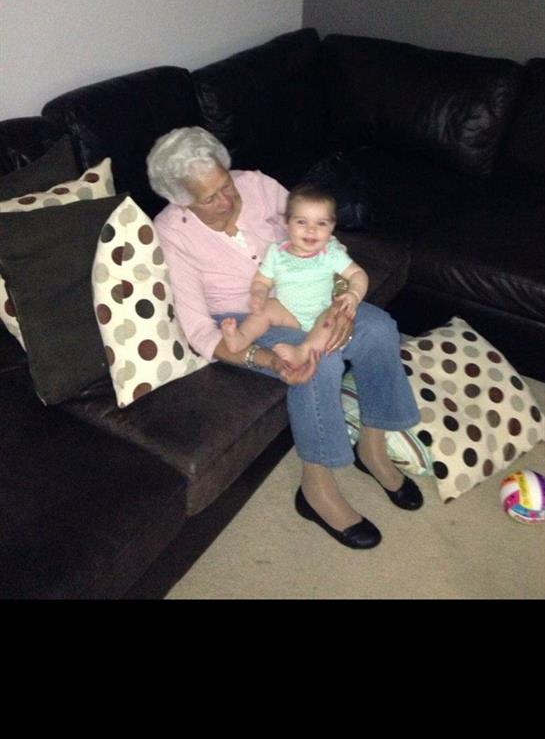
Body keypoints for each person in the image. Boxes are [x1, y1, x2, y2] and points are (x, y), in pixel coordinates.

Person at [147, 126, 423, 550]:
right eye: (209, 198)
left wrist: (340, 301)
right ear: (180, 200)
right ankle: (316, 487)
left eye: (226, 184)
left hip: (307, 295)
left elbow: (320, 236)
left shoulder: (256, 185)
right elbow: (200, 331)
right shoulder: (171, 232)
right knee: (317, 362)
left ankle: (373, 448)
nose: (227, 200)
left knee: (379, 328)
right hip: (246, 318)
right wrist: (269, 360)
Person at [219, 182, 369, 369]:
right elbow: (262, 280)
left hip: (321, 313)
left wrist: (354, 295)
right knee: (265, 309)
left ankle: (303, 351)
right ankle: (240, 339)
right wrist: (259, 294)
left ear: (332, 227)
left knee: (334, 315)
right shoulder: (276, 252)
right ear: (287, 223)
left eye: (321, 223)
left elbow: (358, 273)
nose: (311, 230)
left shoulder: (331, 253)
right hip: (287, 312)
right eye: (301, 222)